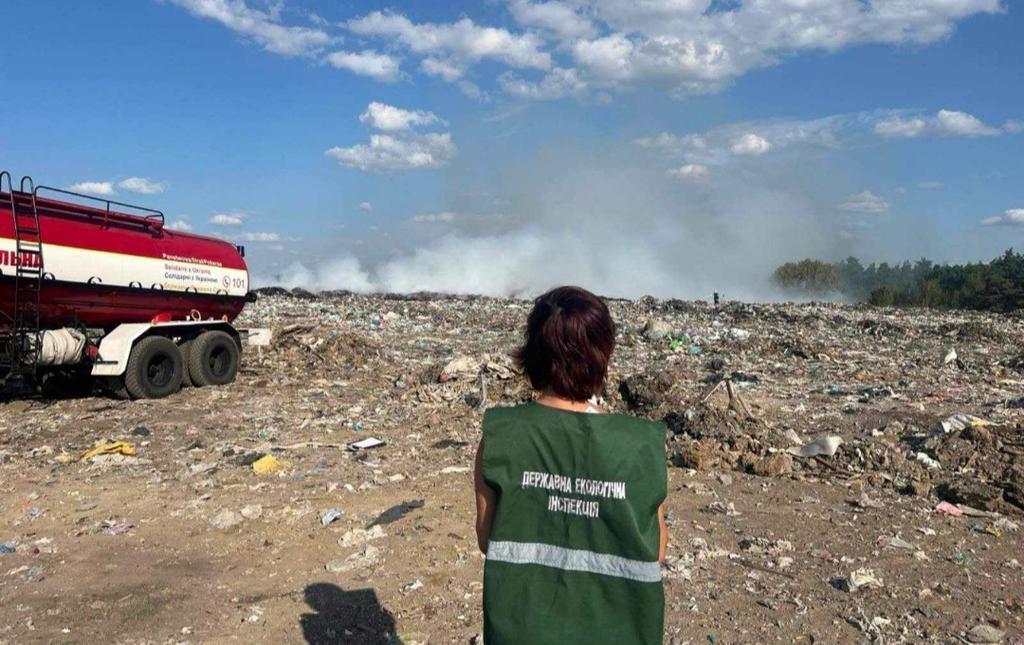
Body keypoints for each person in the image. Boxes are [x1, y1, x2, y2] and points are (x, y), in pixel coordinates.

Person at [474, 286, 668, 645]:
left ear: (532, 352)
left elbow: (489, 539)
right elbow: (656, 550)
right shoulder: (641, 444)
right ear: (602, 353)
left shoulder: (502, 434)